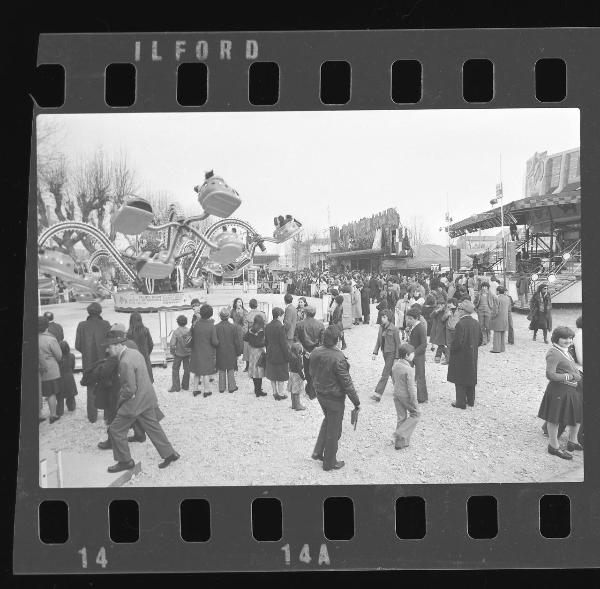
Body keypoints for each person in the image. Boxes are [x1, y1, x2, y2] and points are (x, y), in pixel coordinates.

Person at [105, 328, 180, 473]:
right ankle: (170, 454)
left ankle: (125, 461)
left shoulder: (124, 362)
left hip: (134, 403)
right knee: (153, 426)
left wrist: (120, 400)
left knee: (115, 430)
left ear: (118, 345)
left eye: (109, 347)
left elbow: (130, 389)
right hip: (147, 397)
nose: (108, 350)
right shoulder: (135, 352)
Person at [309, 325, 360, 471]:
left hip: (320, 393)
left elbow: (311, 372)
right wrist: (356, 402)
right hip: (334, 398)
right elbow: (347, 384)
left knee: (328, 422)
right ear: (337, 340)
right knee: (334, 429)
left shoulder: (315, 352)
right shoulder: (338, 357)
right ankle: (329, 463)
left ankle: (318, 451)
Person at [537, 327, 582, 460]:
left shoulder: (565, 351)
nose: (568, 341)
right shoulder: (554, 352)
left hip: (570, 390)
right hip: (559, 390)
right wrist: (571, 376)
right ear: (556, 338)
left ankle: (572, 441)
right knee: (554, 419)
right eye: (565, 338)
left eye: (570, 338)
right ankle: (553, 446)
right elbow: (550, 374)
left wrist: (575, 375)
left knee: (577, 416)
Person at [75, 301, 111, 423]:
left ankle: (92, 416)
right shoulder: (106, 324)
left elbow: (78, 345)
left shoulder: (82, 325)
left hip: (88, 362)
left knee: (91, 388)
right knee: (106, 385)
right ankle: (107, 414)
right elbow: (110, 344)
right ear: (100, 312)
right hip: (104, 361)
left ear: (88, 312)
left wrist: (86, 352)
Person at [447, 300, 482, 409]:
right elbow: (480, 340)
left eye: (459, 309)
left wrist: (452, 351)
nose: (458, 311)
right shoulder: (476, 323)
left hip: (461, 355)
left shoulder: (460, 324)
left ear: (463, 311)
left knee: (460, 378)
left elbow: (457, 342)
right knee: (471, 375)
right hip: (472, 354)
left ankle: (460, 402)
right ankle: (471, 400)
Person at [389, 343, 419, 449]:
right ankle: (400, 433)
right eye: (412, 354)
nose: (413, 355)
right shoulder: (409, 369)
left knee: (401, 417)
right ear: (407, 355)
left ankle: (400, 444)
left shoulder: (395, 365)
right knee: (416, 414)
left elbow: (393, 380)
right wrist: (414, 401)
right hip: (405, 396)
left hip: (396, 394)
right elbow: (411, 388)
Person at [370, 310, 401, 402]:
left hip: (391, 354)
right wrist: (375, 352)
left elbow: (398, 344)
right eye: (381, 317)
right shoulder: (381, 328)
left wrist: (396, 357)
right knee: (391, 372)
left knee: (385, 373)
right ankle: (399, 389)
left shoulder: (394, 329)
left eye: (384, 317)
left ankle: (378, 394)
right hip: (385, 353)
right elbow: (378, 341)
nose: (382, 319)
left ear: (389, 318)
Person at [189, 303, 218, 398]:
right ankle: (206, 390)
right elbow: (214, 341)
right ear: (211, 314)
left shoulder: (196, 324)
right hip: (207, 351)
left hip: (196, 350)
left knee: (197, 371)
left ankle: (195, 389)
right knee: (205, 372)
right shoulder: (211, 326)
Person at [39, 316, 62, 423]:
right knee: (51, 393)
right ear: (46, 326)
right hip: (50, 370)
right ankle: (53, 415)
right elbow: (59, 356)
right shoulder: (50, 339)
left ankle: (39, 415)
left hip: (37, 370)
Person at [265, 307, 290, 401]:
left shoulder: (267, 326)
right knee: (280, 375)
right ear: (279, 315)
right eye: (283, 315)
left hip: (270, 352)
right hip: (280, 354)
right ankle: (281, 393)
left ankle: (274, 392)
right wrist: (288, 356)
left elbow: (266, 341)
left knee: (272, 374)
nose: (283, 317)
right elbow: (283, 343)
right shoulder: (281, 327)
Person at [215, 307, 242, 393]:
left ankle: (221, 387)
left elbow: (214, 341)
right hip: (231, 350)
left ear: (220, 316)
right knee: (231, 368)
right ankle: (232, 387)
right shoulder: (233, 327)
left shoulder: (216, 327)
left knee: (221, 369)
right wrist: (238, 352)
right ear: (229, 316)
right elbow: (237, 341)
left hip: (220, 350)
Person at [406, 306, 428, 403]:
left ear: (416, 318)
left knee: (420, 376)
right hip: (411, 353)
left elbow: (424, 344)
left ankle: (422, 397)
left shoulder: (421, 327)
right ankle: (408, 394)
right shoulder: (413, 327)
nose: (408, 320)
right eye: (408, 318)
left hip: (419, 355)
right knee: (407, 373)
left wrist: (414, 353)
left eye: (410, 319)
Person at [244, 314, 268, 397]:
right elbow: (261, 342)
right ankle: (259, 391)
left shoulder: (251, 329)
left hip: (252, 351)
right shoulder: (261, 331)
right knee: (259, 371)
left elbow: (245, 338)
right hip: (260, 351)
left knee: (254, 371)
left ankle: (256, 389)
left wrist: (251, 339)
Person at [127, 311, 154, 383]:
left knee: (137, 382)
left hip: (133, 359)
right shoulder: (146, 330)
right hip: (145, 357)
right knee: (147, 381)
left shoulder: (128, 333)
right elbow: (151, 344)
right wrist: (147, 353)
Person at [168, 315, 191, 392]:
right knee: (187, 369)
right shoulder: (189, 331)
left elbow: (172, 344)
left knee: (175, 369)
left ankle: (176, 387)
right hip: (187, 354)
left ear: (177, 322)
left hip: (178, 353)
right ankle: (185, 386)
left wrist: (172, 352)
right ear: (186, 322)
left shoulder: (176, 332)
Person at [244, 299, 266, 372]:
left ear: (250, 305)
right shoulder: (262, 314)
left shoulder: (248, 315)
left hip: (251, 335)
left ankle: (248, 366)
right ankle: (261, 365)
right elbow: (265, 326)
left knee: (248, 350)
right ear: (257, 305)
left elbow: (245, 328)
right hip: (261, 336)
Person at [473, 281, 497, 346]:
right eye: (483, 286)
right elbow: (474, 302)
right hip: (480, 311)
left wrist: (492, 309)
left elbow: (496, 301)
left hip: (488, 312)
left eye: (486, 287)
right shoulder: (478, 294)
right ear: (481, 287)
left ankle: (488, 337)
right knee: (481, 326)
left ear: (488, 287)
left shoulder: (491, 294)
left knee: (487, 326)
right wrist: (476, 309)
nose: (484, 288)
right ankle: (484, 339)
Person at [58, 340, 77, 414]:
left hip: (60, 376)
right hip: (69, 376)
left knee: (60, 395)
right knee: (71, 393)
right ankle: (71, 407)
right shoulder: (72, 356)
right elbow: (73, 367)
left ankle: (60, 411)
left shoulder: (58, 357)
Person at [490, 285, 510, 353]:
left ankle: (496, 349)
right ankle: (502, 348)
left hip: (498, 318)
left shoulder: (497, 299)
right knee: (502, 334)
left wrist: (492, 316)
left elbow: (495, 310)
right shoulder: (507, 298)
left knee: (497, 334)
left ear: (498, 291)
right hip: (505, 318)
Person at [287, 342, 307, 411]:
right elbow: (299, 369)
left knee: (293, 390)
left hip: (292, 374)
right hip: (297, 376)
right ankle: (298, 405)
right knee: (297, 391)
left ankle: (293, 405)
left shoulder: (291, 355)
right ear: (298, 351)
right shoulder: (297, 358)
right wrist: (303, 378)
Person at [442, 299, 459, 365]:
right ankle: (448, 360)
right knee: (448, 345)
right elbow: (442, 319)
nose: (448, 305)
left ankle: (456, 360)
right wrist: (446, 315)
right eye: (448, 303)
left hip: (456, 330)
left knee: (456, 345)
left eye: (450, 303)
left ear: (454, 304)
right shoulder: (447, 310)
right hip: (448, 329)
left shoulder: (460, 310)